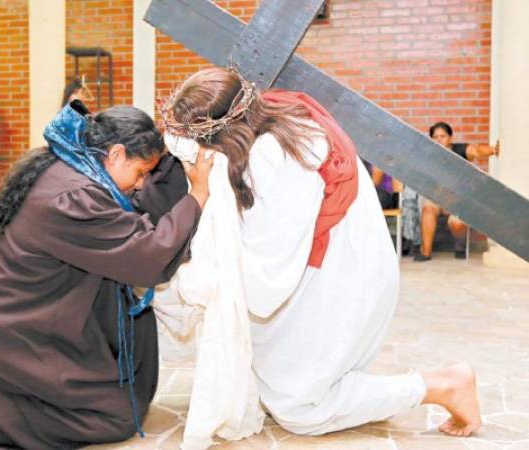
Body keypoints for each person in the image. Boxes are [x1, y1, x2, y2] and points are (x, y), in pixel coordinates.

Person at [158, 68, 481, 445]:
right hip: (320, 263)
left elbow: (265, 286)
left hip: (346, 276)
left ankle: (441, 386)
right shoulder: (267, 117)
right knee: (260, 373)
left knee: (301, 409)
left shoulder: (275, 155)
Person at [0, 101, 213, 449]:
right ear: (115, 155)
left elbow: (133, 230)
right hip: (19, 336)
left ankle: (14, 395)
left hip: (26, 322)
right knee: (115, 418)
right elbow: (148, 256)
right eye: (141, 171)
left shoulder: (70, 168)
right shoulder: (74, 196)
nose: (141, 184)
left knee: (131, 369)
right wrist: (198, 195)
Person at [415, 122, 499, 261]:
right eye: (435, 137)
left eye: (442, 136)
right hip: (437, 198)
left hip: (458, 200)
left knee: (457, 223)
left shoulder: (459, 150)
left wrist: (493, 150)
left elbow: (476, 150)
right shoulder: (427, 154)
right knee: (428, 207)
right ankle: (426, 251)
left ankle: (460, 244)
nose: (439, 140)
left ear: (450, 138)